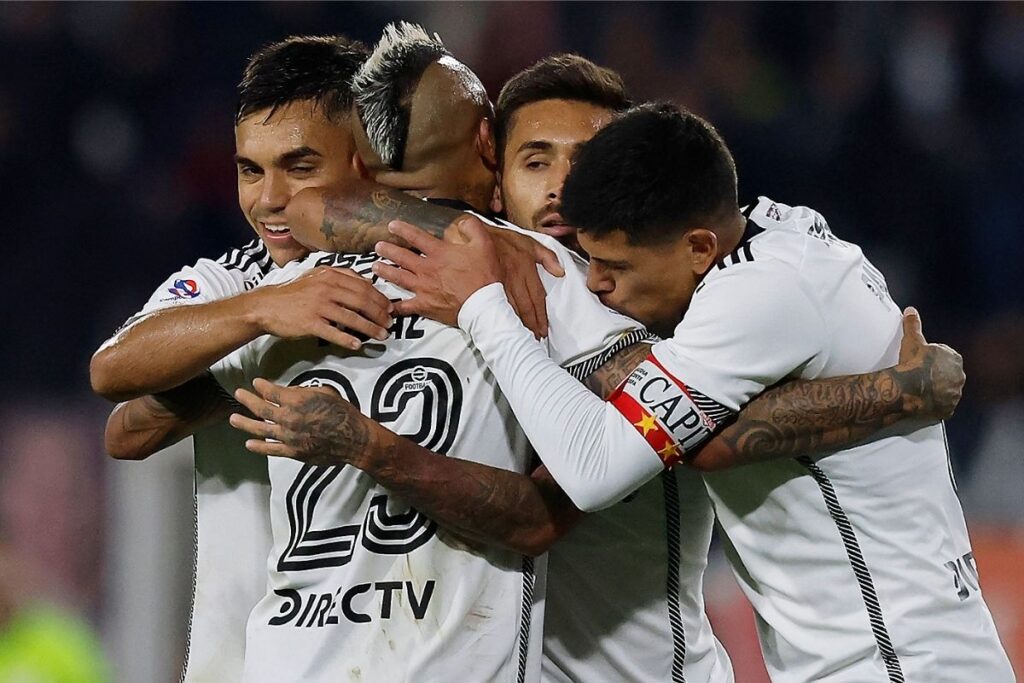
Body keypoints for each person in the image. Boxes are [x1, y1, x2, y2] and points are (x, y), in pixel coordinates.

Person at [249, 32, 971, 681]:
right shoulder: (505, 261)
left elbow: (667, 444)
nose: (565, 187)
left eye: (589, 164)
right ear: (495, 172)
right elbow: (318, 209)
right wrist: (891, 391)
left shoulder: (631, 300)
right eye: (537, 160)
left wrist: (894, 392)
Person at [216, 23, 649, 682]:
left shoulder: (288, 288)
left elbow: (133, 419)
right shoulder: (544, 272)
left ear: (359, 158)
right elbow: (558, 503)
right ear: (488, 143)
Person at [88, 35, 392, 682]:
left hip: (398, 647)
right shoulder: (233, 281)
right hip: (250, 660)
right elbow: (114, 377)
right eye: (250, 170)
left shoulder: (429, 278)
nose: (268, 198)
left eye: (299, 165)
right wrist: (261, 317)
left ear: (366, 161)